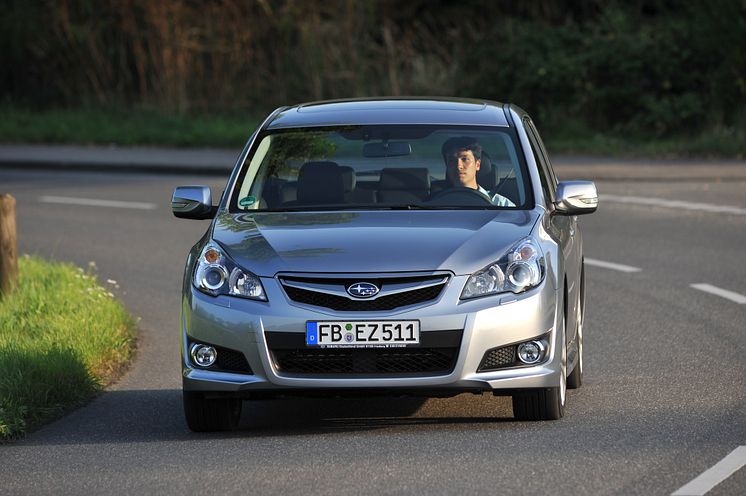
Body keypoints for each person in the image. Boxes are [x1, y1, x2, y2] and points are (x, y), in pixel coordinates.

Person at [441, 136, 515, 207]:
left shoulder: (502, 205)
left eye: (465, 159)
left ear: (477, 164)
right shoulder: (437, 204)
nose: (458, 166)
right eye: (451, 160)